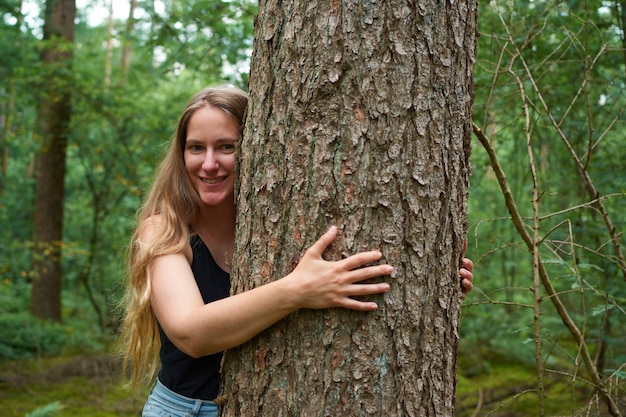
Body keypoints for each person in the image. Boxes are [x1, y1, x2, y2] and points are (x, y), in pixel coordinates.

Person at [118, 85, 474, 417]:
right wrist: (297, 290)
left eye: (227, 146)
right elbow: (190, 333)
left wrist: (430, 276)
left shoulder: (278, 221)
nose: (209, 163)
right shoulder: (164, 230)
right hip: (186, 410)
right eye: (196, 147)